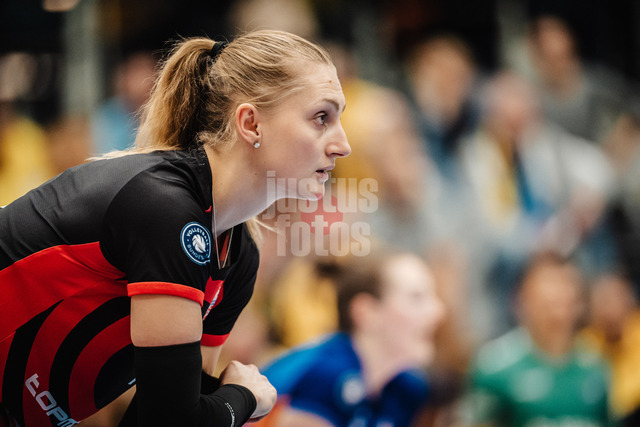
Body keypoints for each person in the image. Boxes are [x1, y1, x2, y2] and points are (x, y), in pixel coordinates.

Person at [0, 29, 351, 426]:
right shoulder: (164, 207)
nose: (343, 145)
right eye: (321, 118)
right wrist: (246, 397)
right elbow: (174, 420)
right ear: (251, 123)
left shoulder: (238, 258)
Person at [258, 250, 446, 427]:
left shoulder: (406, 389)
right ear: (366, 312)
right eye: (416, 298)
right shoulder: (324, 375)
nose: (438, 312)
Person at [458, 252, 615, 427]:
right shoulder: (494, 366)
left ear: (579, 303)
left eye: (564, 298)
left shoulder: (596, 366)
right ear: (522, 300)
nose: (558, 311)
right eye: (549, 300)